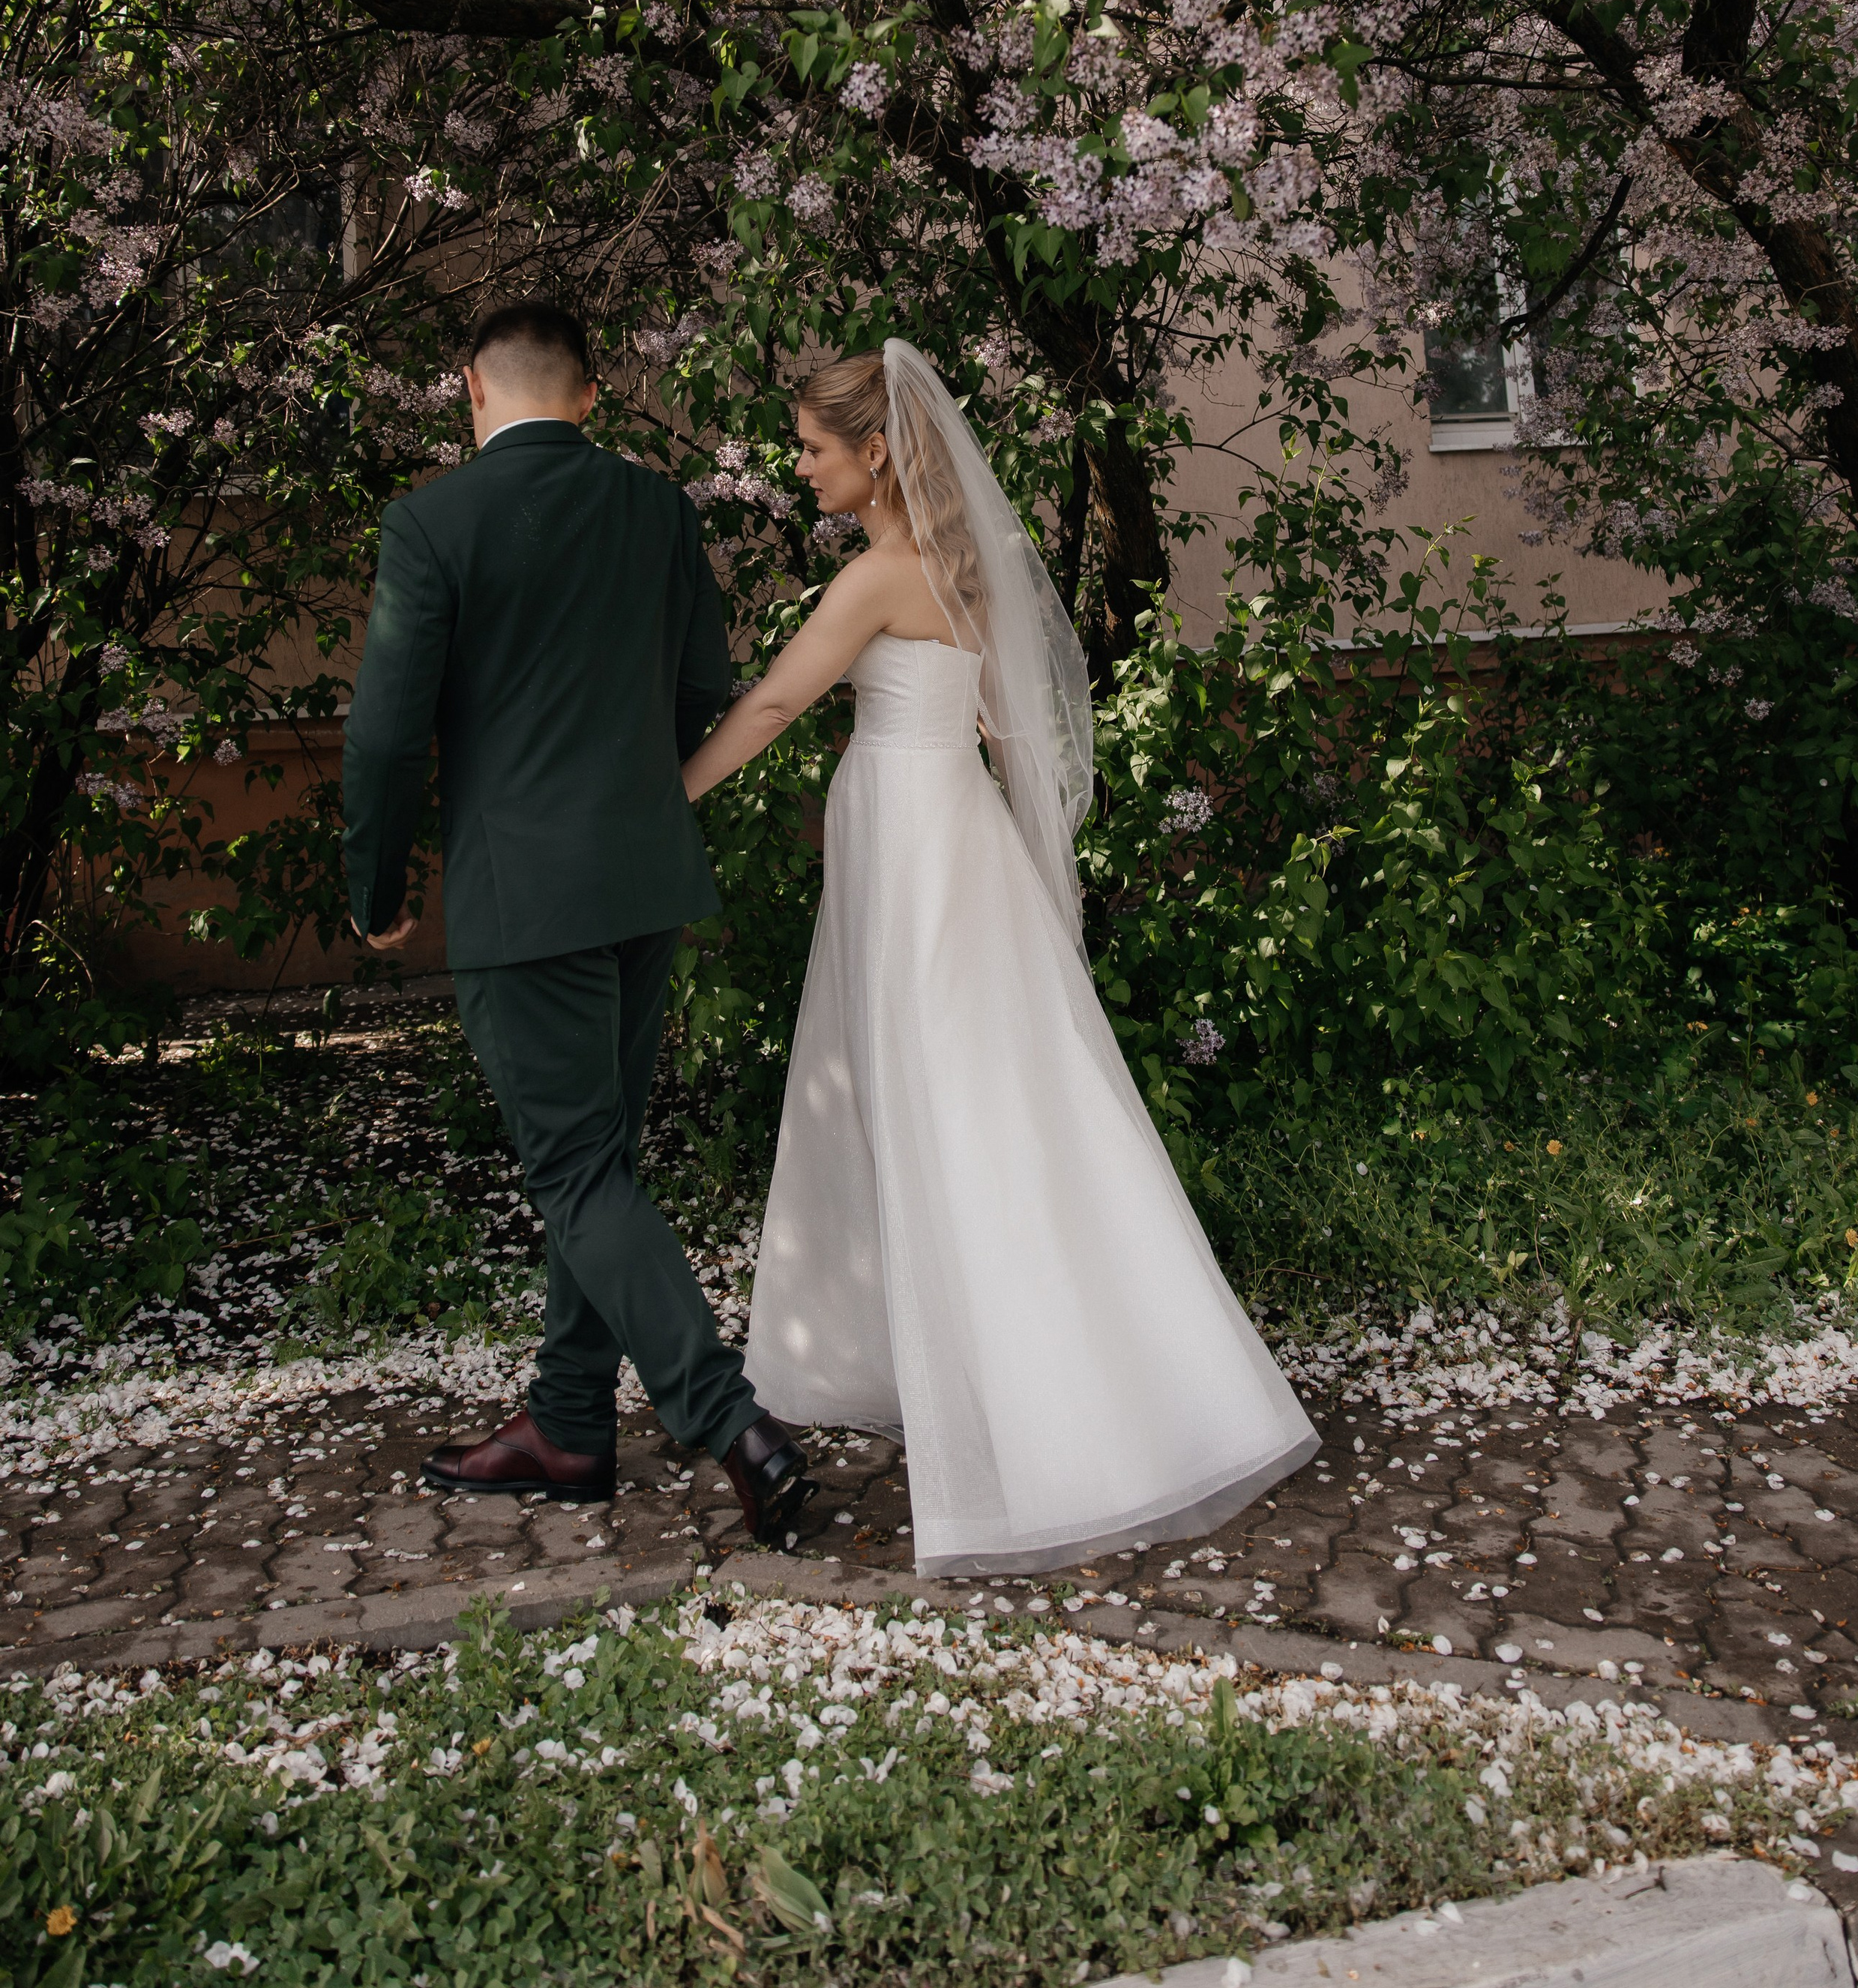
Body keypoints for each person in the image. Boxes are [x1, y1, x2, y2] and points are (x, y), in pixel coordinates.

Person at [681, 339, 1318, 1575]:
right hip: (955, 837)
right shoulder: (962, 568)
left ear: (874, 451)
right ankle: (1008, 1362)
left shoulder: (877, 577)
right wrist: (1039, 875)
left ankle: (1034, 1416)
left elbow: (770, 704)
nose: (800, 468)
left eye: (814, 448)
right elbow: (1019, 739)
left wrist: (671, 794)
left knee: (942, 1107)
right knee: (993, 1103)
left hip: (914, 846)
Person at [340, 298, 813, 1542]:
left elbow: (386, 732)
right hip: (642, 878)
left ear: (470, 389)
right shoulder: (660, 507)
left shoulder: (431, 521)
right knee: (600, 1163)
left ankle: (730, 1420)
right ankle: (567, 1423)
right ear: (591, 395)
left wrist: (377, 887)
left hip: (526, 894)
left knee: (575, 1168)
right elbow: (705, 683)